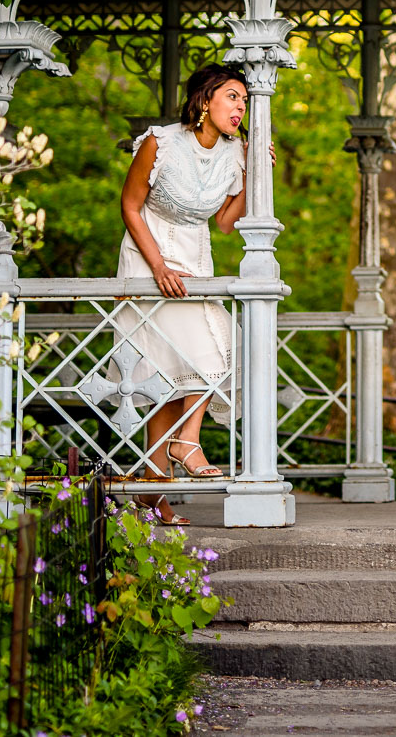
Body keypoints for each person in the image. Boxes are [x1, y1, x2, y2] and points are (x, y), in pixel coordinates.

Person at [116, 64, 265, 501]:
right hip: (149, 256)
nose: (241, 107)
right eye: (233, 96)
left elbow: (223, 222)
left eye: (244, 100)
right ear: (205, 99)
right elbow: (129, 206)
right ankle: (185, 444)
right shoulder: (159, 143)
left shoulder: (236, 153)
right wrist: (159, 266)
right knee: (197, 358)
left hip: (196, 257)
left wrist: (257, 174)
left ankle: (151, 493)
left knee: (185, 371)